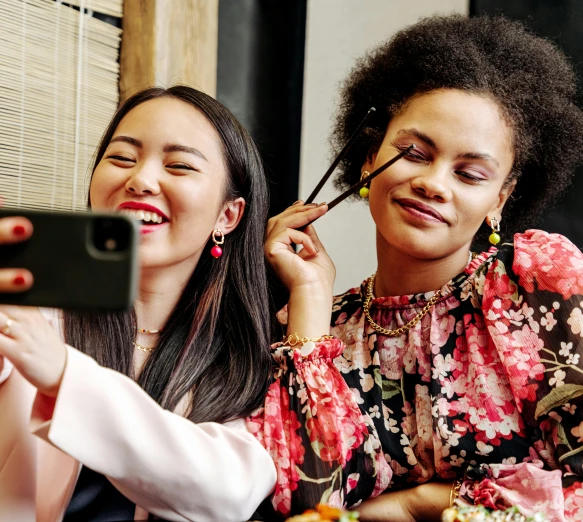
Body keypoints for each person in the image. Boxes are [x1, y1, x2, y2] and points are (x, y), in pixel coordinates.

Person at [0, 86, 278, 522]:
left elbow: (226, 491)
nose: (141, 180)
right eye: (121, 158)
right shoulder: (34, 303)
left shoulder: (246, 362)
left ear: (228, 215)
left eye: (179, 165)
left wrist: (63, 374)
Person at [250, 15, 583, 522]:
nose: (434, 183)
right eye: (413, 153)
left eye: (469, 173)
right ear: (369, 159)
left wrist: (420, 503)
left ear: (501, 197)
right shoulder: (318, 331)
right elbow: (308, 508)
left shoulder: (539, 286)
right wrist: (311, 300)